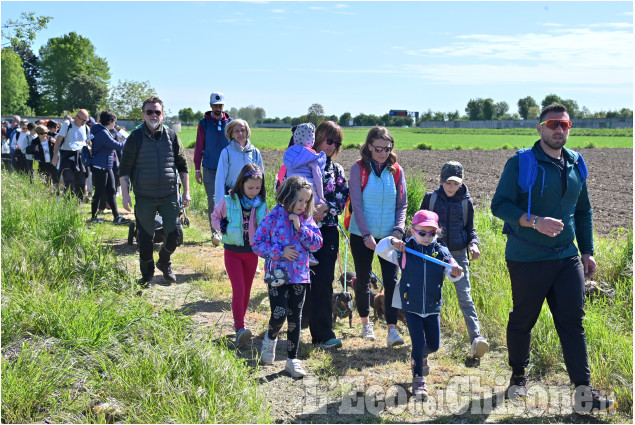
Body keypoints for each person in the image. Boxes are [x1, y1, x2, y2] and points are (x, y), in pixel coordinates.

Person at [491, 103, 615, 413]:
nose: (560, 129)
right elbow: (499, 205)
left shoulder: (575, 163)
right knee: (523, 319)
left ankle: (583, 394)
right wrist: (534, 220)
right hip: (527, 257)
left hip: (567, 257)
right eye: (553, 124)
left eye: (565, 125)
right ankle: (518, 378)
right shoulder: (521, 162)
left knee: (573, 322)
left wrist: (587, 251)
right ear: (540, 128)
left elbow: (583, 210)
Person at [376, 210, 463, 398]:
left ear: (437, 233)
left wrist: (455, 272)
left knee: (434, 345)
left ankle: (420, 356)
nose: (426, 237)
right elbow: (379, 249)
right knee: (417, 343)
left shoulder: (440, 251)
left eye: (431, 233)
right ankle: (418, 381)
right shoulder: (404, 250)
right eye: (422, 232)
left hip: (432, 306)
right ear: (413, 230)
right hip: (411, 306)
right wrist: (392, 241)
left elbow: (452, 271)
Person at [252, 176, 323, 378]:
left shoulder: (307, 220)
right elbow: (258, 244)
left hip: (300, 274)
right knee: (279, 313)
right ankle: (271, 337)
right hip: (277, 273)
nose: (303, 205)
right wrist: (280, 252)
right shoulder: (273, 217)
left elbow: (317, 244)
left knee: (295, 318)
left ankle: (292, 360)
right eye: (299, 200)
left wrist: (301, 228)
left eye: (307, 201)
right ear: (288, 196)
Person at [420, 161, 489, 359]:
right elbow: (420, 224)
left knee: (465, 296)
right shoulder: (430, 199)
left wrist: (473, 244)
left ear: (462, 183)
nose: (451, 187)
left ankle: (476, 340)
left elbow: (470, 229)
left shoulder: (466, 202)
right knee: (430, 295)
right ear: (441, 181)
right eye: (448, 183)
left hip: (458, 254)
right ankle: (426, 340)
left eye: (455, 184)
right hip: (434, 253)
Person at [119, 96, 191, 286]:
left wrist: (187, 192)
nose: (153, 115)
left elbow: (183, 166)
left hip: (169, 195)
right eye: (149, 111)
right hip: (144, 196)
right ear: (143, 114)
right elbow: (124, 169)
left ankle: (164, 261)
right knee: (144, 238)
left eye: (157, 112)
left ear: (163, 115)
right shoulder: (135, 138)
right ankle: (147, 274)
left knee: (174, 233)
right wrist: (126, 195)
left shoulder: (172, 136)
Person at [347, 126, 407, 346]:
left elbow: (402, 205)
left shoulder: (396, 170)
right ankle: (365, 323)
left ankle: (392, 329)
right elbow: (357, 205)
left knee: (391, 281)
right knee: (362, 279)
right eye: (378, 148)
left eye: (387, 148)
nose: (383, 152)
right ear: (369, 146)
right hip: (362, 234)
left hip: (390, 238)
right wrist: (366, 235)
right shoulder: (358, 169)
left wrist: (397, 231)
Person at [302, 121, 349, 349]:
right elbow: (285, 191)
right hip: (299, 232)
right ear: (317, 137)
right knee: (300, 279)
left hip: (327, 232)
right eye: (328, 140)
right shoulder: (300, 164)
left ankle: (323, 334)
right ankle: (299, 320)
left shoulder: (337, 170)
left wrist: (326, 208)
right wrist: (309, 210)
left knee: (323, 281)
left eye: (336, 143)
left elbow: (342, 198)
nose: (331, 146)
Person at [211, 164, 268, 348]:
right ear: (241, 184)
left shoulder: (261, 204)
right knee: (239, 289)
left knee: (247, 291)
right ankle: (240, 328)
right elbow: (214, 217)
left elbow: (266, 225)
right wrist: (222, 226)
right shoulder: (228, 201)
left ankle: (240, 324)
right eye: (250, 187)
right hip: (232, 252)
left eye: (257, 188)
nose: (254, 191)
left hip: (251, 253)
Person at [193, 92, 233, 245]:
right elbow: (199, 147)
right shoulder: (204, 123)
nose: (218, 108)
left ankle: (229, 230)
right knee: (213, 200)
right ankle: (215, 232)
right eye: (215, 105)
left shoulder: (231, 122)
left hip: (228, 169)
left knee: (230, 200)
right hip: (209, 169)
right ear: (210, 105)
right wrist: (197, 169)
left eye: (220, 105)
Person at [89, 110, 129, 225]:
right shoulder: (103, 133)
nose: (115, 125)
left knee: (112, 190)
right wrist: (127, 139)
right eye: (114, 122)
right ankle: (93, 217)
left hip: (107, 166)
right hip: (100, 166)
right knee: (99, 192)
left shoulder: (102, 131)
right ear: (110, 121)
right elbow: (118, 146)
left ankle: (116, 217)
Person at [213, 119, 264, 208]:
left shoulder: (255, 152)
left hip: (252, 196)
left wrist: (262, 196)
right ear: (231, 134)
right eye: (236, 131)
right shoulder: (226, 152)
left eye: (242, 130)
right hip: (232, 196)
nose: (240, 133)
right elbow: (220, 179)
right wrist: (219, 204)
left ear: (247, 132)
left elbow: (261, 176)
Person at [282, 123, 326, 207]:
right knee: (321, 205)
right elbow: (317, 177)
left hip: (291, 193)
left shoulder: (290, 155)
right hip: (307, 194)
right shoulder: (311, 157)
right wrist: (321, 196)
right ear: (312, 140)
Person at [51, 109, 91, 199]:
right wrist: (55, 156)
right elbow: (58, 140)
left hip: (81, 157)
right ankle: (68, 204)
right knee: (69, 182)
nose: (84, 122)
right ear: (76, 117)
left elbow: (88, 142)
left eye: (86, 120)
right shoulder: (67, 125)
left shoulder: (86, 128)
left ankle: (78, 204)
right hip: (67, 157)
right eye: (83, 120)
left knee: (81, 183)